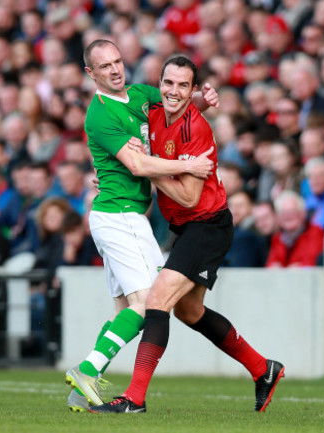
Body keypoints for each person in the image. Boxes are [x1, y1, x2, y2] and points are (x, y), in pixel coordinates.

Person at [90, 56, 284, 414]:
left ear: (193, 89)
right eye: (168, 83)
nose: (173, 91)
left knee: (156, 300)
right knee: (190, 312)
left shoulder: (197, 129)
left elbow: (189, 196)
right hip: (188, 228)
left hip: (208, 226)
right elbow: (130, 157)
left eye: (183, 85)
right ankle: (263, 369)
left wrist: (145, 170)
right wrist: (125, 173)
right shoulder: (152, 115)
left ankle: (134, 399)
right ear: (159, 84)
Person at [64, 40, 218, 412]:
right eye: (105, 66)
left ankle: (82, 387)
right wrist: (189, 166)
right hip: (120, 216)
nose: (115, 70)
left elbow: (175, 109)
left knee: (124, 311)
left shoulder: (140, 94)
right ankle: (88, 369)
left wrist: (202, 99)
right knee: (149, 301)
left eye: (118, 61)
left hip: (119, 216)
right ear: (91, 74)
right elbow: (139, 165)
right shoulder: (99, 116)